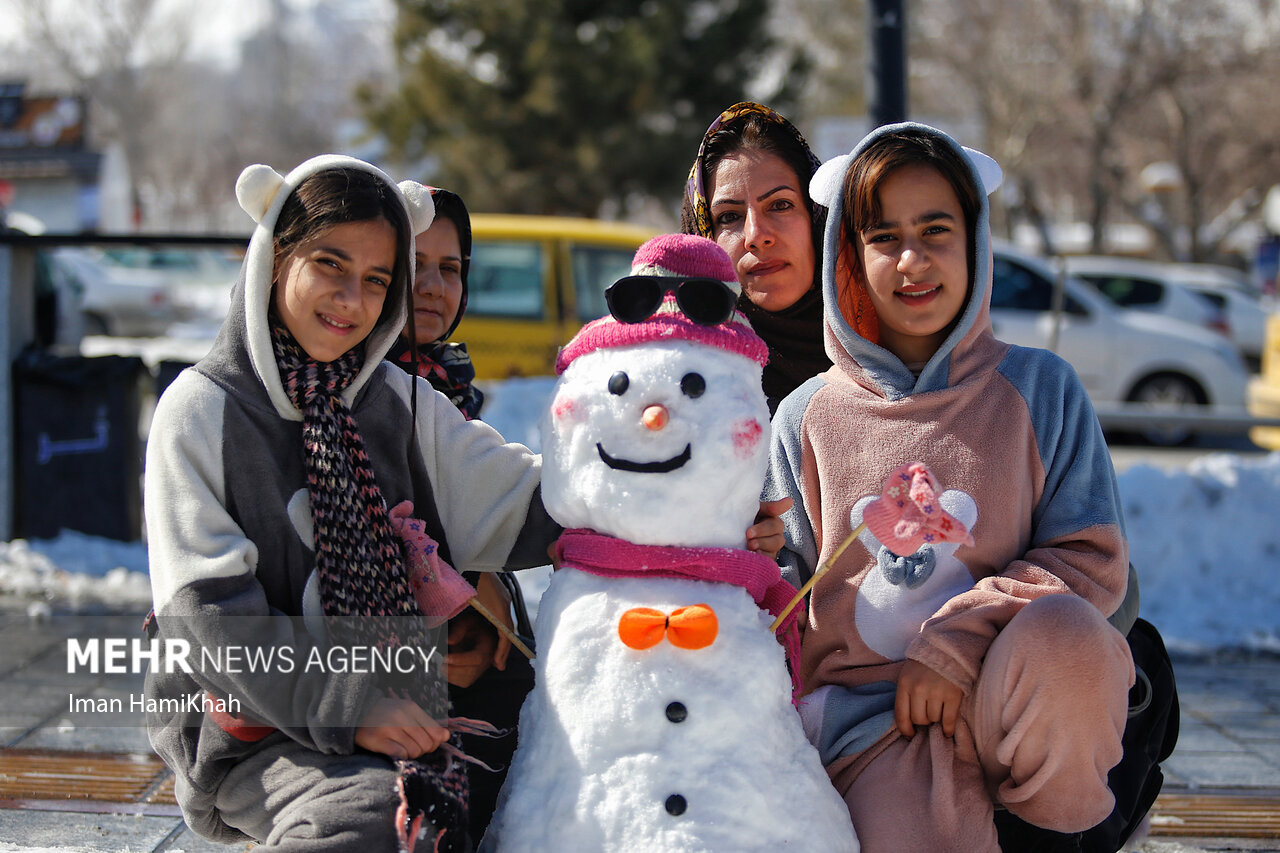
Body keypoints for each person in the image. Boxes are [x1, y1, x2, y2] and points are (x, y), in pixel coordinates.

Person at [142, 155, 561, 852]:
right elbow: (210, 622)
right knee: (381, 819)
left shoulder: (392, 402)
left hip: (409, 703)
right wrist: (352, 706)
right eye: (330, 265)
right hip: (254, 730)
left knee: (552, 769)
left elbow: (525, 501)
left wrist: (680, 506)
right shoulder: (202, 411)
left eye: (375, 280)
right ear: (276, 257)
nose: (351, 299)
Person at [764, 123, 1135, 851]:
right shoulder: (805, 417)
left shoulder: (1040, 389)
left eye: (936, 228)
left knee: (1071, 640)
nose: (913, 259)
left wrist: (954, 641)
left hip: (1015, 696)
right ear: (848, 253)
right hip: (876, 730)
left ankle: (1060, 833)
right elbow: (783, 594)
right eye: (883, 236)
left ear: (976, 239)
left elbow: (1090, 561)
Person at [385, 184, 535, 846]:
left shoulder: (448, 391)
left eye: (450, 268)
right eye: (413, 265)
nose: (432, 285)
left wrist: (488, 585)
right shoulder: (344, 390)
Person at [680, 101, 832, 413]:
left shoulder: (896, 356)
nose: (756, 236)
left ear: (816, 215)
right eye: (728, 217)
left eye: (780, 205)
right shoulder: (684, 381)